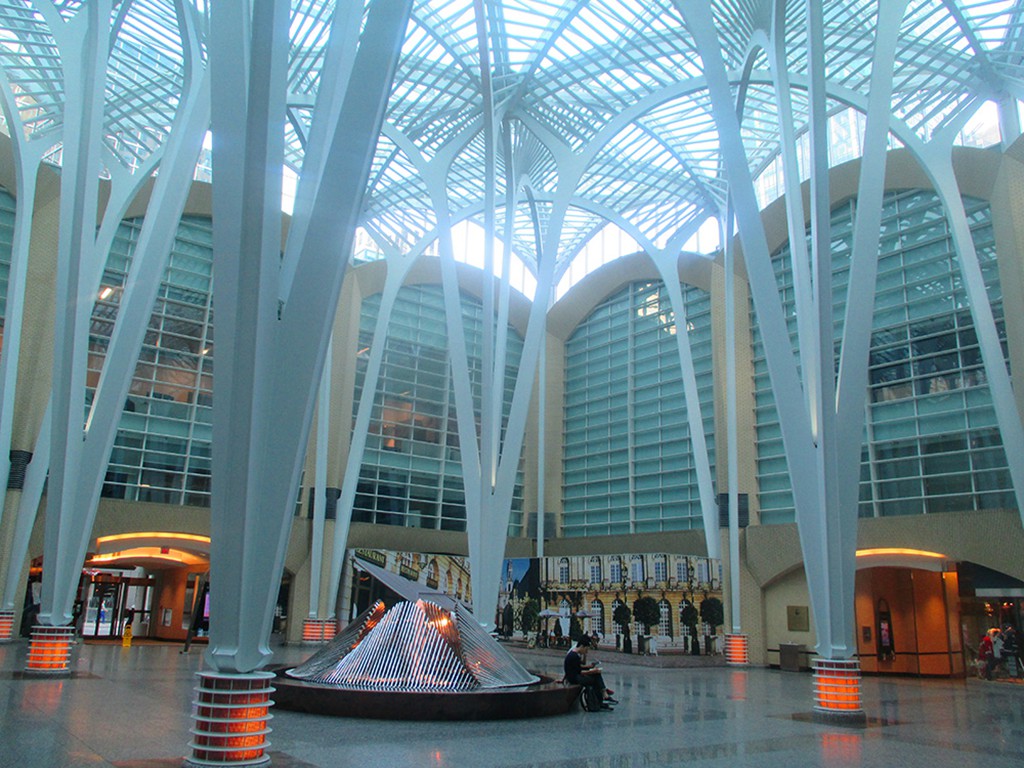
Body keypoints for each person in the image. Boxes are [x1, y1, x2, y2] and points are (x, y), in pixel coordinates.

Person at [564, 635, 617, 710]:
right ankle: (603, 696)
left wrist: (589, 667)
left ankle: (602, 696)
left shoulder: (574, 654)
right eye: (586, 649)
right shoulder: (574, 656)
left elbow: (577, 668)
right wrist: (592, 671)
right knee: (595, 678)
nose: (586, 651)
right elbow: (579, 672)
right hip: (574, 678)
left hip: (573, 677)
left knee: (595, 676)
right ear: (582, 646)